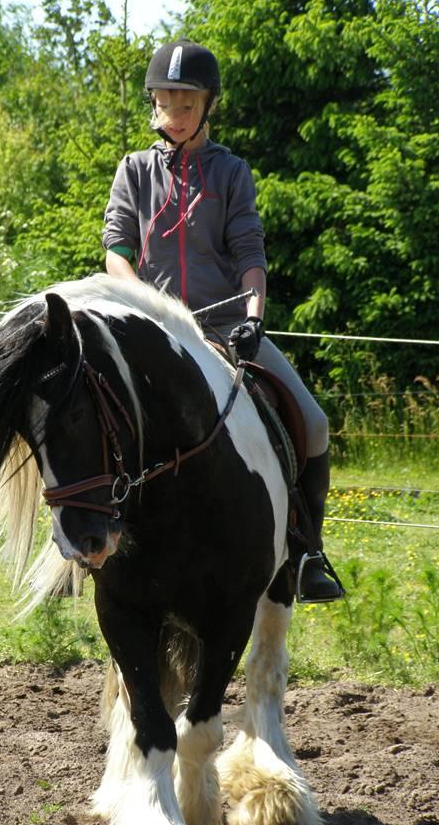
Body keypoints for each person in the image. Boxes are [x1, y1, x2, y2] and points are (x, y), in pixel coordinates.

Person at [102, 38, 344, 602]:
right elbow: (117, 250)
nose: (174, 114)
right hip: (157, 332)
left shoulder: (233, 172)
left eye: (186, 104)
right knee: (87, 413)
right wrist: (149, 309)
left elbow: (250, 256)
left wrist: (253, 318)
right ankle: (76, 547)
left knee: (313, 423)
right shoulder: (134, 171)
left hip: (226, 328)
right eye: (164, 102)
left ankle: (306, 552)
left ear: (208, 105)